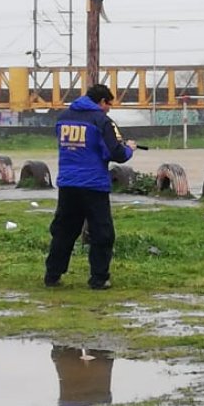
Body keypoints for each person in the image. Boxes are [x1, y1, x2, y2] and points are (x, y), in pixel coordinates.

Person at [44, 84, 136, 289]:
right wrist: (129, 148)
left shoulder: (63, 117)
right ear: (102, 102)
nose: (109, 109)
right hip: (94, 185)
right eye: (109, 104)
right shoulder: (102, 121)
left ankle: (52, 275)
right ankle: (99, 278)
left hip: (67, 183)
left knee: (64, 231)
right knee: (102, 233)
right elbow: (116, 154)